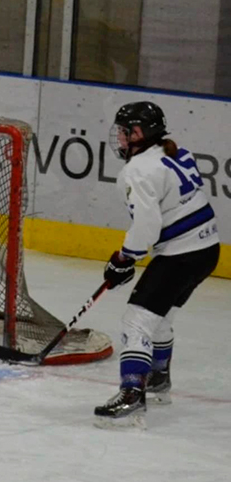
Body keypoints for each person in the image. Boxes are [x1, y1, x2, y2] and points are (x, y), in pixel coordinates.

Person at [94, 101, 220, 429]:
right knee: (161, 318)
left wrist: (124, 258)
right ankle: (159, 379)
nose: (119, 138)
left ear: (139, 133)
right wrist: (132, 257)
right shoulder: (177, 151)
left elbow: (147, 227)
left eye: (124, 131)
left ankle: (133, 393)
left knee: (137, 322)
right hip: (207, 249)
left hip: (181, 255)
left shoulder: (135, 171)